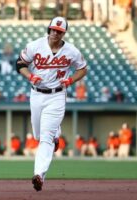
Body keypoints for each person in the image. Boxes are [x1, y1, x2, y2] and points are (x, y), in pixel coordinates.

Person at [16, 16, 87, 191]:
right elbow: (20, 64)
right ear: (49, 29)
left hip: (57, 96)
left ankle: (39, 175)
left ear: (64, 33)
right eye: (53, 29)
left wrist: (70, 80)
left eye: (59, 31)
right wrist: (30, 76)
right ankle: (56, 134)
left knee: (45, 139)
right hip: (36, 94)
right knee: (38, 136)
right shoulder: (35, 45)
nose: (55, 33)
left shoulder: (71, 51)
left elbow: (83, 68)